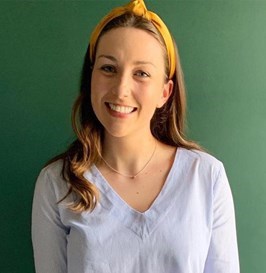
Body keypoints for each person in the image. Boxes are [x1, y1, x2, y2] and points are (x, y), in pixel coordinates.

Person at [32, 0, 240, 272]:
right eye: (108, 68)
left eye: (141, 73)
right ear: (90, 78)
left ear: (164, 93)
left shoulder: (206, 177)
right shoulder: (56, 184)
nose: (121, 90)